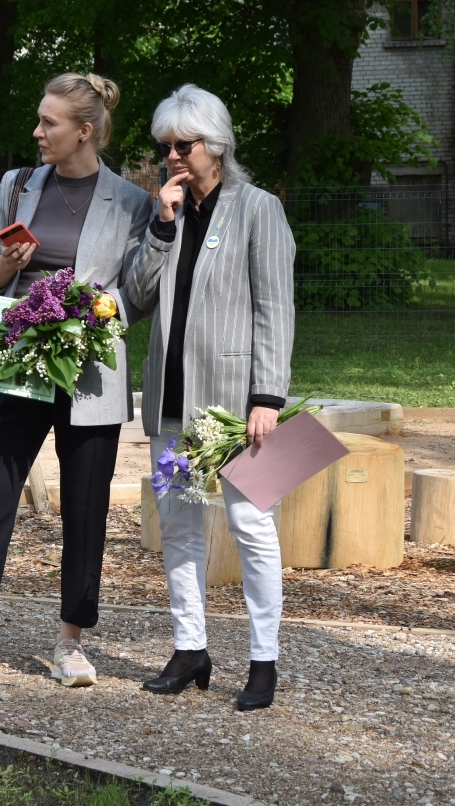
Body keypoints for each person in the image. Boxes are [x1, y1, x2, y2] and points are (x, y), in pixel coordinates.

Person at [0, 73, 154, 698]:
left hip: (91, 371)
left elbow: (138, 294)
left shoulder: (132, 202)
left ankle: (70, 642)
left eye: (49, 123)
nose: (37, 132)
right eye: (39, 119)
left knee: (86, 512)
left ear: (84, 131)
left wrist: (93, 311)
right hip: (21, 360)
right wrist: (1, 267)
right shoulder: (17, 185)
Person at [125, 83, 296, 711]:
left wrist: (269, 397)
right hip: (171, 400)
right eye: (164, 145)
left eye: (183, 144)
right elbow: (137, 296)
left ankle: (263, 659)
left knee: (253, 526)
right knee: (179, 524)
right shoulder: (162, 214)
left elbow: (276, 308)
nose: (171, 155)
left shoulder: (258, 210)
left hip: (237, 405)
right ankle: (190, 647)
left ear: (215, 147)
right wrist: (163, 226)